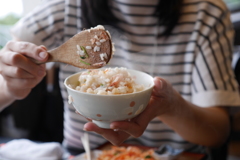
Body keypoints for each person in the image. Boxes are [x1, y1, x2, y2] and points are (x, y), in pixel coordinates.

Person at [0, 0, 239, 158]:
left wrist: (172, 106)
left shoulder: (206, 13)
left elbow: (219, 132)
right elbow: (13, 57)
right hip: (83, 152)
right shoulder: (67, 6)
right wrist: (10, 87)